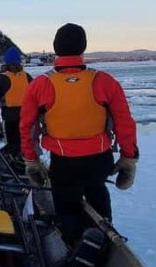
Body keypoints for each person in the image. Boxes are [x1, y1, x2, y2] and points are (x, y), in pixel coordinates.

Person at [19, 23, 139, 243]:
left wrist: (31, 160)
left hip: (63, 163)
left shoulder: (40, 84)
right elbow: (124, 123)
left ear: (56, 48)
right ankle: (103, 241)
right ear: (83, 47)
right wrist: (128, 157)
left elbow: (27, 127)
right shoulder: (105, 81)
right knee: (98, 195)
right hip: (99, 161)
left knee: (67, 209)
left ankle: (72, 245)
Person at [0, 47, 32, 159]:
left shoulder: (2, 77)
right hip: (26, 115)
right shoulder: (26, 76)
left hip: (9, 115)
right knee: (23, 139)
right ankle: (24, 158)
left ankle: (14, 158)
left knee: (12, 140)